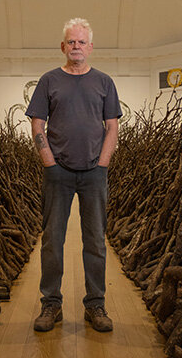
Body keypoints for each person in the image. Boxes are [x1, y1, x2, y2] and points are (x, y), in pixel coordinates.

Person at [25, 17, 122, 332]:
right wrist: (49, 162)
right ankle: (51, 305)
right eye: (72, 41)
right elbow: (37, 124)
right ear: (63, 46)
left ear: (90, 47)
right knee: (53, 240)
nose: (77, 46)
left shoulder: (104, 82)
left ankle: (96, 306)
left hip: (95, 174)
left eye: (82, 42)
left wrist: (103, 163)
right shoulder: (49, 80)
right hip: (58, 173)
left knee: (95, 240)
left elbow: (112, 127)